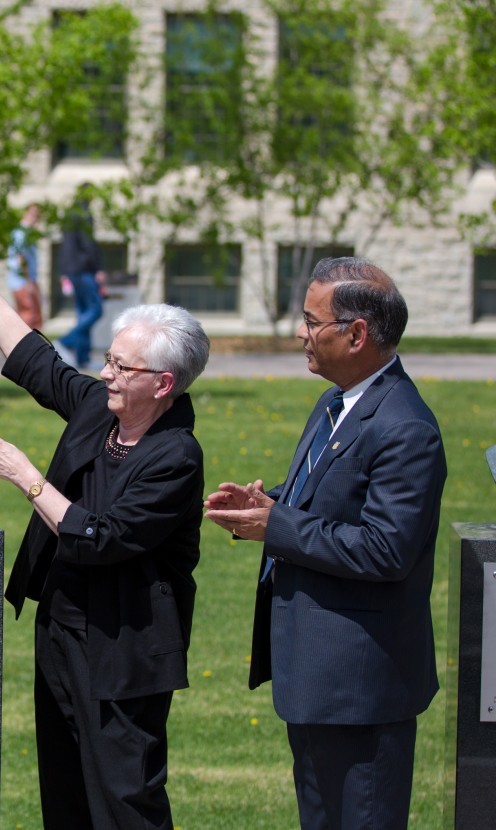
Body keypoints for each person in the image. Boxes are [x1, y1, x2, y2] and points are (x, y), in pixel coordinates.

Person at [0, 245, 209, 828]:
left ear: (163, 383)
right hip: (63, 630)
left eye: (123, 367)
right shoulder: (103, 409)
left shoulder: (175, 456)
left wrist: (28, 478)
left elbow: (102, 536)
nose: (106, 374)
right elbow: (35, 361)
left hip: (125, 649)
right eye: (109, 360)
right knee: (65, 791)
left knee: (123, 798)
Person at [204, 257, 446, 829]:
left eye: (312, 323)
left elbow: (386, 548)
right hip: (316, 678)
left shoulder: (405, 427)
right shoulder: (337, 400)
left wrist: (276, 525)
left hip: (360, 689)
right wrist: (267, 503)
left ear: (356, 333)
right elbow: (331, 495)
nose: (300, 334)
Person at [56, 184, 107, 370]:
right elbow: (88, 244)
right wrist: (98, 268)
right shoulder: (84, 214)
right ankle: (65, 342)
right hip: (84, 269)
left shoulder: (69, 214)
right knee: (96, 310)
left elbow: (64, 246)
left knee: (83, 312)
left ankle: (82, 358)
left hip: (71, 269)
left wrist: (63, 271)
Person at [6, 202, 43, 329]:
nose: (35, 218)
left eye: (37, 215)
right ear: (24, 213)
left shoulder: (27, 232)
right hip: (21, 280)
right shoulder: (22, 233)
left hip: (25, 279)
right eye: (33, 214)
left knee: (31, 315)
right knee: (29, 315)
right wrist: (28, 281)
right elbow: (20, 257)